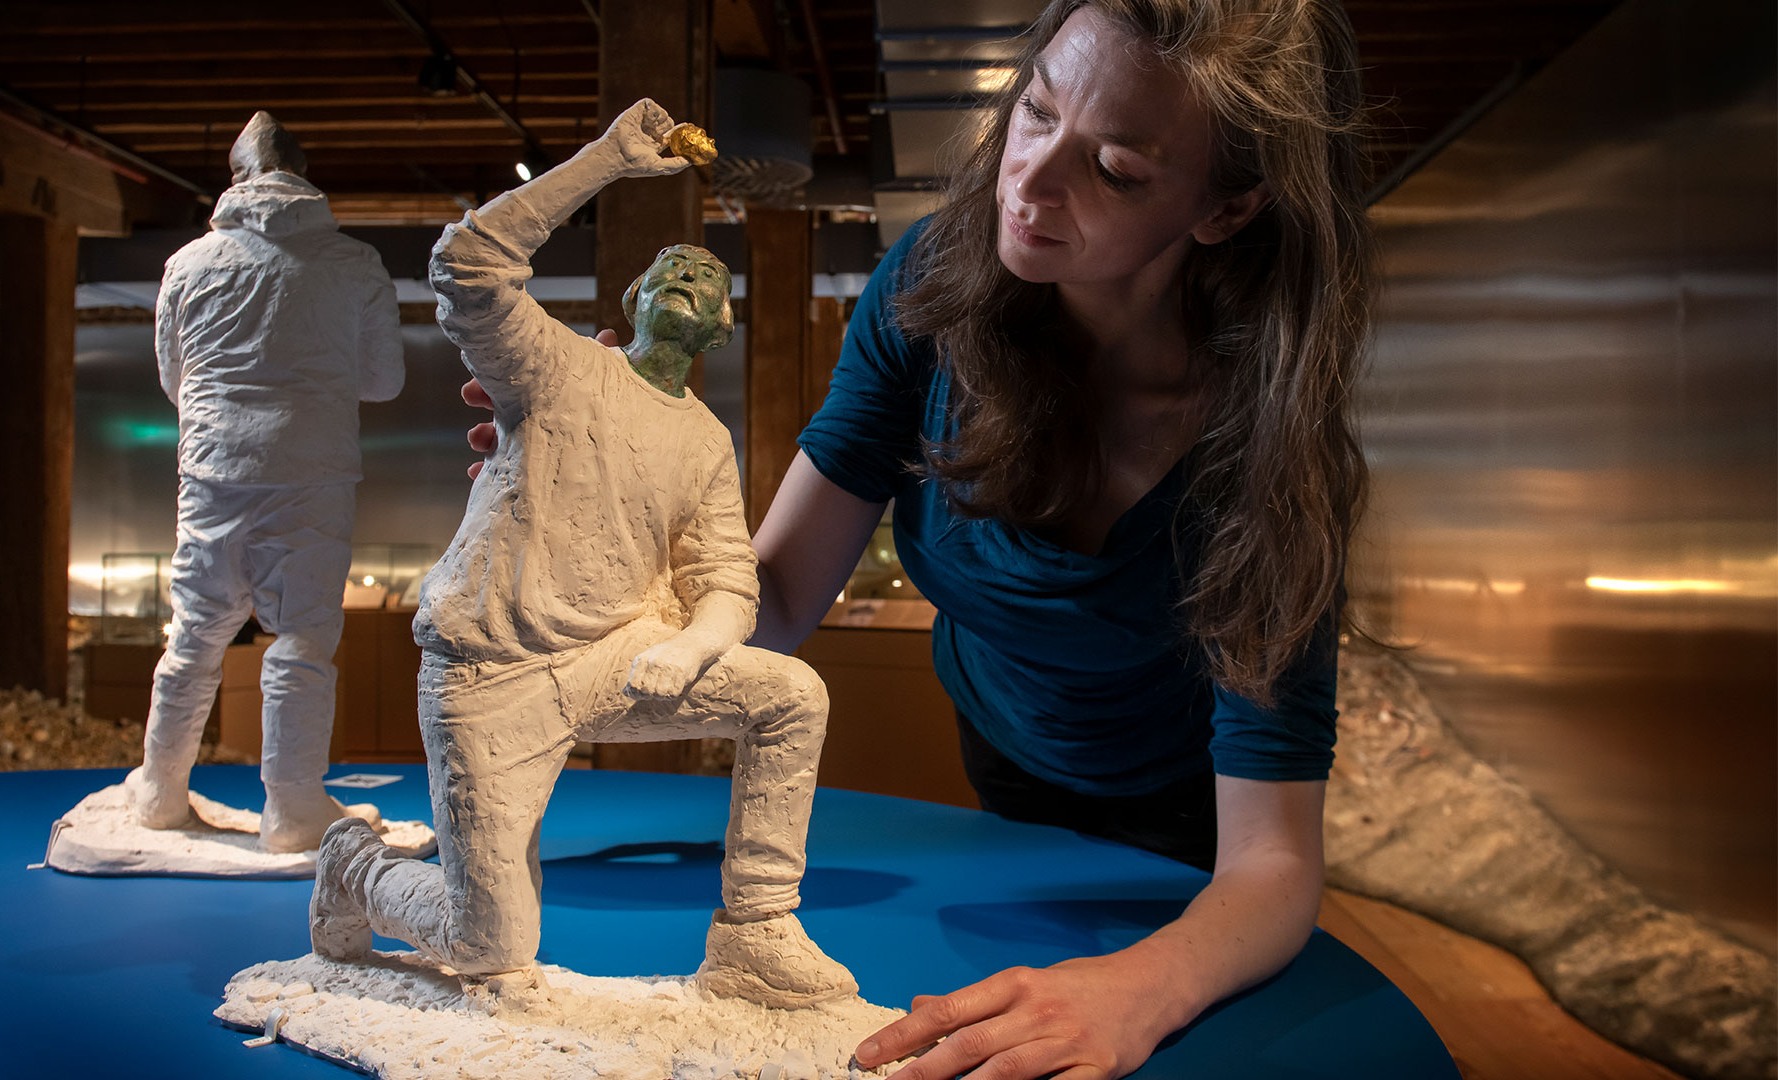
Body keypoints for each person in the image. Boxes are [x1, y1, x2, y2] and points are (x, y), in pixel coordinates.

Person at [468, 1, 1370, 1073]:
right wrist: (591, 507)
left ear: (1225, 209)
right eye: (1034, 113)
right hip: (1001, 758)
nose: (1029, 182)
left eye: (1117, 169)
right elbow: (778, 602)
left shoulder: (1265, 434)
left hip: (1188, 821)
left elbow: (1272, 866)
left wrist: (1141, 988)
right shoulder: (928, 287)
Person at [311, 99, 858, 1010]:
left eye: (707, 279)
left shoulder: (706, 442)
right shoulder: (558, 368)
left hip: (612, 659)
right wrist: (607, 159)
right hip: (489, 671)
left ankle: (757, 933)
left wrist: (688, 646)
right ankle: (356, 869)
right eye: (668, 269)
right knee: (489, 946)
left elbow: (727, 582)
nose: (688, 273)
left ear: (721, 330)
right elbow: (468, 264)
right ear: (633, 302)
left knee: (789, 694)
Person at [125, 111, 405, 853]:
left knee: (195, 632)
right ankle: (292, 808)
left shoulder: (188, 264)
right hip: (311, 473)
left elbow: (173, 379)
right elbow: (383, 380)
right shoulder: (354, 263)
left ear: (235, 180)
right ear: (305, 179)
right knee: (304, 639)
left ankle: (159, 789)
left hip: (214, 471)